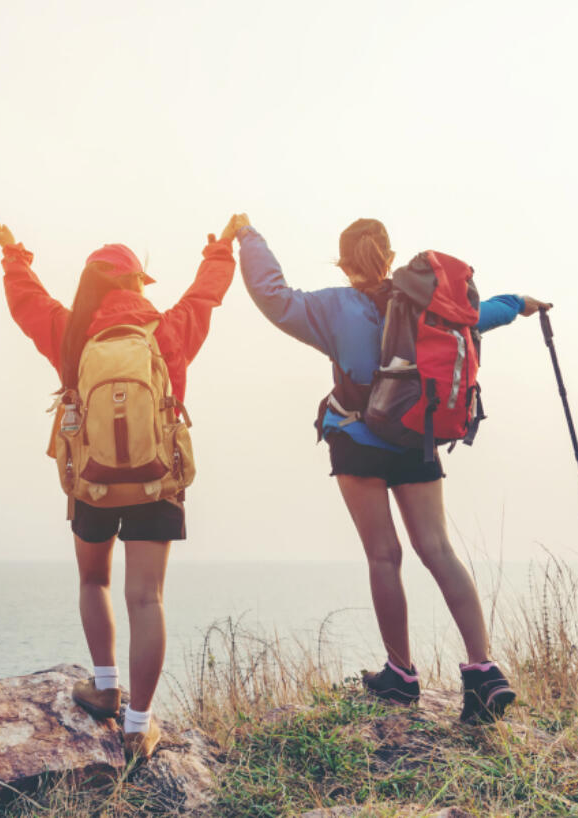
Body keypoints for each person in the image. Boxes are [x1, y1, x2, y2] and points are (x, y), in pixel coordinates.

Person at [235, 214, 551, 724]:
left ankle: (401, 676)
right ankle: (484, 672)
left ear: (342, 262)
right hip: (416, 438)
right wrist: (520, 303)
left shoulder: (331, 307)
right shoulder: (425, 305)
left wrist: (249, 239)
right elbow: (477, 315)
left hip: (358, 441)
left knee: (384, 556)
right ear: (389, 256)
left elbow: (274, 296)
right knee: (439, 551)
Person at [0, 217, 239, 758]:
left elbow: (24, 300)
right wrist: (222, 249)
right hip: (157, 482)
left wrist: (14, 254)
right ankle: (138, 724)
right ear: (136, 285)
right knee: (146, 598)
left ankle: (106, 688)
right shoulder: (168, 329)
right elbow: (207, 292)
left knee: (93, 580)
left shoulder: (70, 329)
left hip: (91, 483)